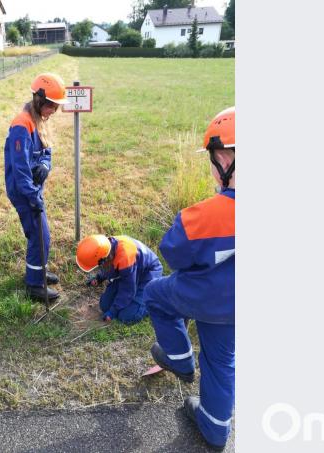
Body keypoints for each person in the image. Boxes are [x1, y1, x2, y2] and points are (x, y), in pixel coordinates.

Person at [144, 107, 235, 451]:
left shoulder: (205, 216)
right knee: (222, 359)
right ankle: (215, 427)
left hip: (202, 294)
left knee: (155, 294)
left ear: (225, 158)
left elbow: (174, 254)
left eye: (212, 158)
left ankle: (180, 360)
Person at [3, 73, 67, 302]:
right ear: (40, 100)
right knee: (40, 236)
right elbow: (19, 170)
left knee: (39, 233)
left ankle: (37, 271)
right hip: (23, 190)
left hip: (33, 188)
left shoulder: (39, 119)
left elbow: (47, 150)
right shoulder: (22, 124)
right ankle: (33, 285)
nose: (54, 111)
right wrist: (32, 197)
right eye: (52, 106)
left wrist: (45, 165)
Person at [76, 234, 163, 325]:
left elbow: (128, 290)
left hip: (147, 272)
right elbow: (107, 267)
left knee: (126, 316)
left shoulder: (125, 258)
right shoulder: (105, 248)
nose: (97, 268)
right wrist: (99, 278)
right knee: (105, 305)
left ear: (104, 260)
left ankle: (156, 299)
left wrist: (113, 311)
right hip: (129, 273)